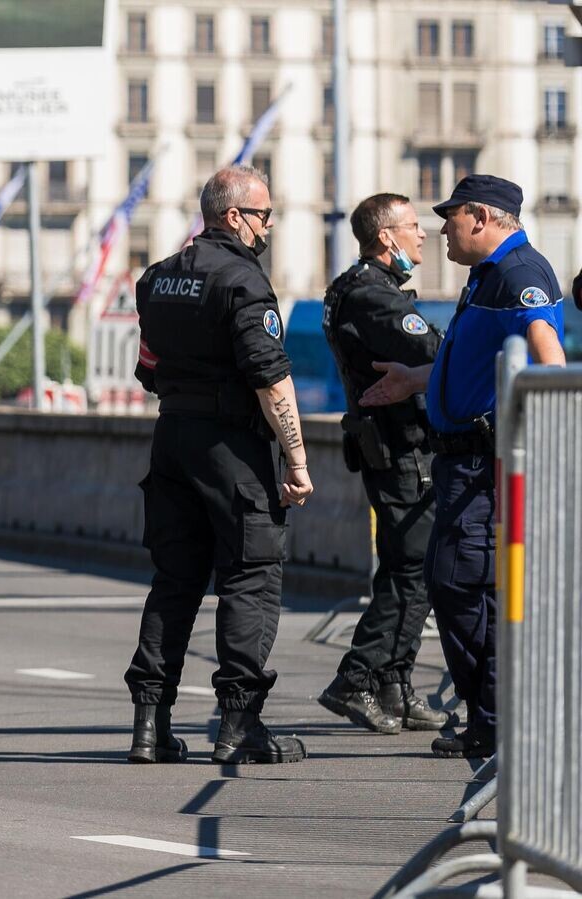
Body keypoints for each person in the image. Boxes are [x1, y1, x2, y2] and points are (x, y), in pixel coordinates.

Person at [361, 174, 566, 758]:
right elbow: (472, 363)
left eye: (450, 218)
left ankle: (498, 715)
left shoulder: (518, 274)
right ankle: (491, 714)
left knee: (464, 584)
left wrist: (527, 444)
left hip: (486, 466)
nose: (441, 229)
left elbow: (548, 361)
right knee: (458, 585)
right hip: (465, 464)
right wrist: (413, 380)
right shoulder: (487, 275)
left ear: (480, 216)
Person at [125, 164, 313, 765]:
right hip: (232, 448)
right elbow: (271, 378)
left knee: (175, 581)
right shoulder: (244, 282)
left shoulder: (157, 279)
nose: (269, 224)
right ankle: (239, 728)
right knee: (250, 578)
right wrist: (297, 458)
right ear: (234, 216)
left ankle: (150, 729)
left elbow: (148, 367)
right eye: (264, 214)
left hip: (172, 439)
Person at [318, 194, 451, 734]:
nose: (423, 235)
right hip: (401, 447)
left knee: (411, 569)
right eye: (414, 226)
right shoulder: (373, 297)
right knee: (408, 571)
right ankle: (355, 678)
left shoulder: (358, 289)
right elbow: (433, 353)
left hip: (397, 445)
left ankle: (396, 684)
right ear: (386, 236)